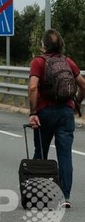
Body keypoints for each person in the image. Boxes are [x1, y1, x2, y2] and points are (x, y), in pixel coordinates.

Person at [28, 29, 85, 208]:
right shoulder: (68, 62)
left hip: (44, 112)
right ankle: (65, 197)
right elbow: (83, 85)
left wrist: (33, 112)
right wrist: (77, 103)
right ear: (61, 45)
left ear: (43, 46)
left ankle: (38, 194)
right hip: (66, 113)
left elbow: (32, 87)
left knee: (41, 152)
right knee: (65, 155)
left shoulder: (38, 62)